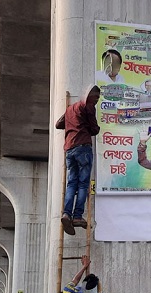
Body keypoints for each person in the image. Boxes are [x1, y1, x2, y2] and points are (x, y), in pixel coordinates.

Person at [55, 86, 101, 235]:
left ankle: (66, 214)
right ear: (91, 96)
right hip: (83, 148)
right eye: (96, 98)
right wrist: (88, 126)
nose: (96, 101)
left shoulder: (70, 109)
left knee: (71, 183)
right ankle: (77, 216)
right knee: (82, 184)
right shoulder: (88, 107)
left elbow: (58, 124)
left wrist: (73, 124)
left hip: (69, 149)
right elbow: (95, 129)